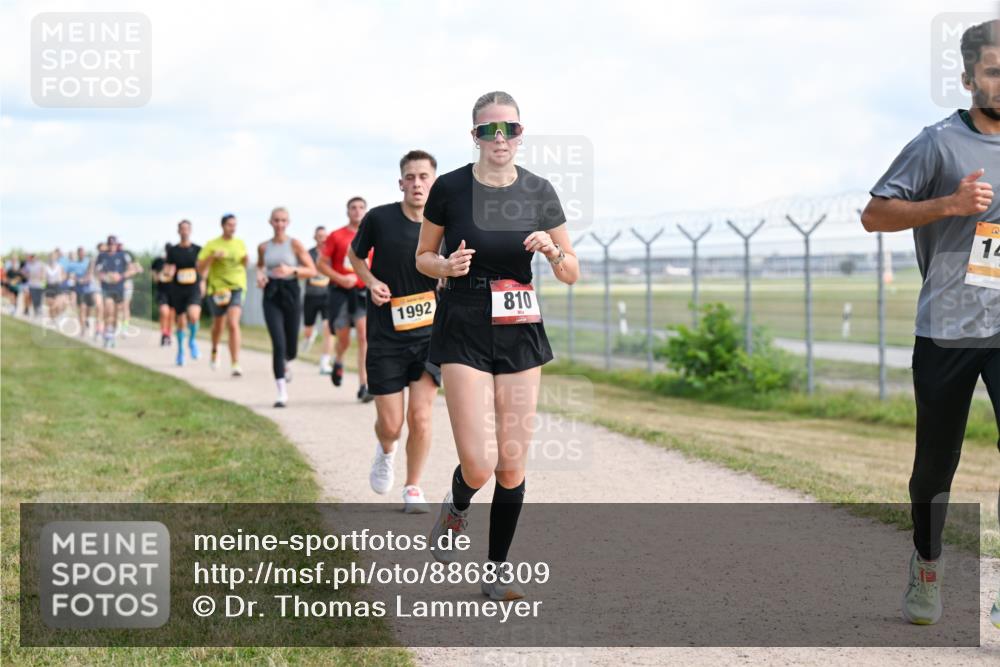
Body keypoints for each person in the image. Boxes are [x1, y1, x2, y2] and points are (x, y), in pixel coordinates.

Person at [861, 19, 1000, 627]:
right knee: (936, 464)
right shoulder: (938, 142)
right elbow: (874, 215)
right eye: (994, 69)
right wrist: (947, 204)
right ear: (969, 76)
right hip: (948, 328)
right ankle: (927, 561)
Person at [415, 91, 580, 600]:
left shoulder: (539, 190)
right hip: (463, 320)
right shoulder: (448, 188)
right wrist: (444, 266)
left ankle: (496, 570)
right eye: (489, 130)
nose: (499, 138)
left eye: (508, 129)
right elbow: (423, 255)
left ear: (521, 133)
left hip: (519, 324)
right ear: (475, 136)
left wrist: (553, 251)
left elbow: (572, 271)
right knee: (480, 464)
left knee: (511, 462)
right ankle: (457, 505)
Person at [349, 150, 441, 512]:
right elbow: (356, 257)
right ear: (400, 182)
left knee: (420, 416)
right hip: (387, 336)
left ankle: (414, 486)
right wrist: (371, 282)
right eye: (410, 177)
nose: (417, 183)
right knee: (391, 425)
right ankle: (386, 450)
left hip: (429, 337)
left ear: (434, 181)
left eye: (423, 176)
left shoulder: (444, 224)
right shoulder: (379, 219)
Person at [256, 207, 317, 407]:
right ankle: (281, 392)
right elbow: (260, 266)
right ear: (270, 222)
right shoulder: (264, 247)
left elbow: (312, 270)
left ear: (288, 222)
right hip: (271, 294)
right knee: (278, 343)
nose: (279, 224)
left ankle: (287, 361)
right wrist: (261, 275)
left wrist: (291, 269)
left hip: (291, 291)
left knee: (291, 346)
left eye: (283, 220)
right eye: (276, 220)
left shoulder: (295, 244)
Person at [318, 197, 373, 401]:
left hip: (361, 293)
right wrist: (341, 278)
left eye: (361, 208)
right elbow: (321, 264)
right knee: (343, 339)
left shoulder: (372, 235)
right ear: (347, 211)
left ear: (366, 211)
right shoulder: (337, 236)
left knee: (363, 336)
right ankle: (339, 358)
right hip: (340, 293)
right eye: (353, 208)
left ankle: (363, 385)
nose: (357, 211)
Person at [197, 213, 248, 376]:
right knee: (218, 325)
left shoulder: (240, 243)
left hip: (237, 286)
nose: (232, 228)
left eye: (234, 225)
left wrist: (246, 259)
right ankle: (214, 349)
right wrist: (213, 257)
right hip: (217, 288)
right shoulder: (212, 244)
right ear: (223, 226)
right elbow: (199, 267)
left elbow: (244, 264)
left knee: (233, 323)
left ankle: (235, 362)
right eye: (229, 225)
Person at [164, 220, 204, 366]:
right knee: (181, 322)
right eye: (182, 229)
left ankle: (192, 340)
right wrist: (168, 272)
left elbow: (203, 268)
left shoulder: (198, 249)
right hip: (178, 288)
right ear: (178, 231)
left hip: (193, 286)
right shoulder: (173, 251)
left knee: (194, 316)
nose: (184, 231)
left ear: (190, 231)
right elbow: (168, 269)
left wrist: (203, 282)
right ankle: (180, 350)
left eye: (187, 229)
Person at [95, 235, 140, 348]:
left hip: (119, 288)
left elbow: (132, 270)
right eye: (110, 245)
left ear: (116, 245)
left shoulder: (123, 256)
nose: (111, 247)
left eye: (113, 245)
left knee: (115, 313)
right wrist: (106, 276)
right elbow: (97, 272)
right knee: (108, 309)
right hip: (106, 288)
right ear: (107, 245)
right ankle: (107, 334)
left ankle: (112, 334)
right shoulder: (102, 256)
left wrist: (120, 276)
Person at [302, 225, 335, 373]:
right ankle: (310, 335)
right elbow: (302, 271)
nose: (322, 239)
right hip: (311, 295)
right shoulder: (308, 254)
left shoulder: (331, 254)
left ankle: (325, 362)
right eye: (319, 236)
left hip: (328, 295)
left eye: (324, 236)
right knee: (308, 328)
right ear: (314, 237)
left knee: (329, 327)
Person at [151, 245, 173, 346]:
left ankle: (168, 334)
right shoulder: (158, 262)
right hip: (162, 291)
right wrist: (163, 272)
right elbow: (155, 279)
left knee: (171, 315)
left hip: (174, 292)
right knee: (164, 312)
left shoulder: (176, 262)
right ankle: (163, 334)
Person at [42, 250, 67, 320]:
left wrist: (61, 279)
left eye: (54, 257)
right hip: (49, 286)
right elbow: (43, 277)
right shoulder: (45, 266)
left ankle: (58, 316)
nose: (52, 258)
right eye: (51, 257)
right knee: (51, 305)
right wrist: (43, 282)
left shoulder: (59, 266)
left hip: (57, 286)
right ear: (49, 257)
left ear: (56, 258)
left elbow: (64, 275)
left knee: (57, 305)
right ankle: (52, 319)